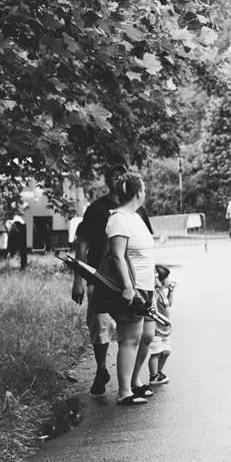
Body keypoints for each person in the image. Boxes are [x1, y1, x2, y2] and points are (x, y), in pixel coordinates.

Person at [71, 164, 153, 397]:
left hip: (134, 280)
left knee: (135, 334)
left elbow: (142, 246)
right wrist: (78, 279)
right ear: (107, 180)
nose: (118, 178)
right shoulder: (98, 210)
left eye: (122, 174)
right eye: (113, 175)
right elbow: (83, 244)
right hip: (102, 278)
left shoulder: (137, 212)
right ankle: (102, 370)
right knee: (102, 329)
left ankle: (130, 381)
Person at [104, 172, 156, 406]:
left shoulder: (136, 216)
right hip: (133, 287)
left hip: (148, 286)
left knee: (147, 336)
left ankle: (135, 381)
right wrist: (127, 286)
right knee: (130, 339)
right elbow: (117, 255)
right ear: (138, 193)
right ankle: (124, 392)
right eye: (144, 190)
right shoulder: (119, 219)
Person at [148, 264, 176, 385]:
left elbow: (169, 303)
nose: (168, 281)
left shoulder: (161, 292)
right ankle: (153, 375)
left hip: (165, 328)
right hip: (156, 328)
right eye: (166, 278)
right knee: (156, 352)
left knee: (166, 351)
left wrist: (171, 291)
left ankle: (159, 371)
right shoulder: (153, 293)